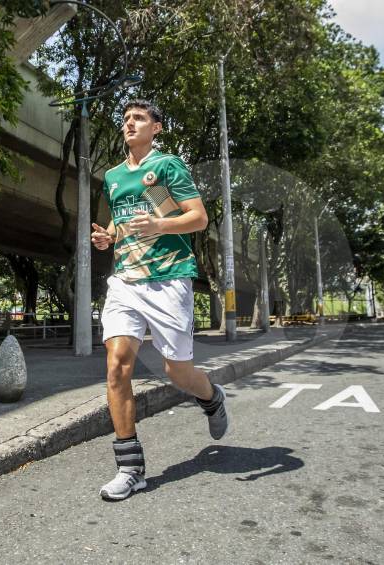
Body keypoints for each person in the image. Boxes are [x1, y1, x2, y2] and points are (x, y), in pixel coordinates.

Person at [91, 99, 229, 501]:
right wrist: (110, 236)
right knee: (117, 367)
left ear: (157, 127)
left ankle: (211, 397)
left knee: (178, 372)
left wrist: (159, 223)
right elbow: (122, 218)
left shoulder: (168, 166)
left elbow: (198, 218)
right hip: (126, 281)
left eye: (138, 118)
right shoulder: (115, 175)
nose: (130, 124)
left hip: (168, 279)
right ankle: (130, 467)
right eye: (126, 119)